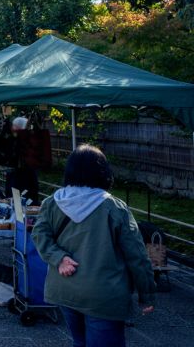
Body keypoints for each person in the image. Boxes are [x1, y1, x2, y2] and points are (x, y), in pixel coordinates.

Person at [32, 145, 155, 347]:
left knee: (79, 342)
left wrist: (58, 258)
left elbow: (39, 234)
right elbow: (137, 255)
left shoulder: (52, 202)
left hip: (65, 289)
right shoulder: (114, 208)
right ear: (103, 172)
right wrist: (147, 293)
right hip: (104, 296)